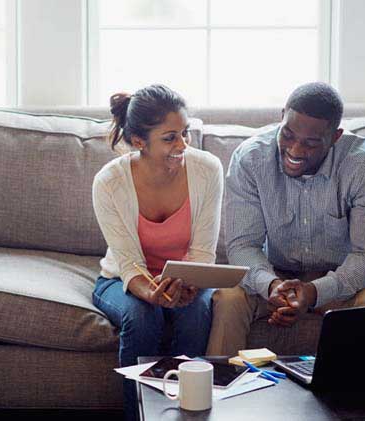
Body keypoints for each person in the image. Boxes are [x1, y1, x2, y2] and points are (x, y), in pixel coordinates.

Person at [206, 82, 365, 357]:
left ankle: (357, 397)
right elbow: (242, 246)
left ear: (335, 137)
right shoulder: (250, 159)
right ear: (282, 116)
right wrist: (270, 285)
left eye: (311, 143)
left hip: (340, 281)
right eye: (288, 134)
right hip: (275, 276)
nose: (295, 150)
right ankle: (221, 393)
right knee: (229, 297)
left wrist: (314, 292)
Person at [92, 84, 223, 420]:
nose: (183, 145)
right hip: (124, 279)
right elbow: (128, 262)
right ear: (139, 142)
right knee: (141, 316)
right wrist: (153, 293)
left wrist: (186, 283)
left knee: (194, 313)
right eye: (169, 138)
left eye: (185, 133)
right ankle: (139, 414)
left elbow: (202, 251)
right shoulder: (109, 182)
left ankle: (188, 413)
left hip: (188, 276)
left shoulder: (208, 169)